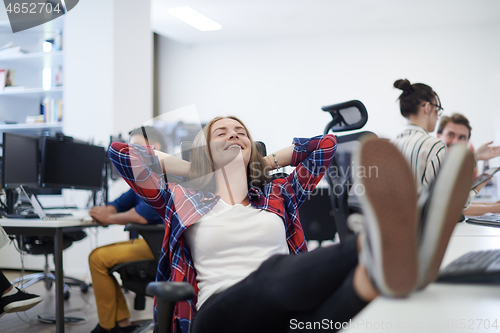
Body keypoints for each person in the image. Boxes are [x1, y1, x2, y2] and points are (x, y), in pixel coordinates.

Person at [109, 116, 474, 333]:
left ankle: (379, 271)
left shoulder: (279, 192)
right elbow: (121, 154)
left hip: (284, 311)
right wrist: (193, 168)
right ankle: (388, 238)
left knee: (328, 312)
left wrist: (267, 161)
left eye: (240, 132)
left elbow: (324, 145)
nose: (233, 135)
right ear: (203, 148)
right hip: (218, 313)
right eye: (221, 132)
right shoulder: (182, 196)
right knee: (273, 271)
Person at [89, 126, 166, 333]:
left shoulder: (163, 174)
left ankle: (108, 327)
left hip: (163, 247)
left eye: (135, 147)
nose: (130, 153)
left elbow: (141, 215)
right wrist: (105, 210)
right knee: (99, 257)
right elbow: (122, 202)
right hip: (151, 243)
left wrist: (109, 217)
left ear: (154, 147)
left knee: (98, 258)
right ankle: (120, 323)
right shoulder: (142, 176)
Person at [391, 79, 477, 208]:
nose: (437, 117)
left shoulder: (392, 144)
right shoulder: (434, 146)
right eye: (437, 110)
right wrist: (478, 187)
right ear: (427, 107)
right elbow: (445, 204)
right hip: (420, 226)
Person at [437, 113, 500, 216]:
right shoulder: (431, 164)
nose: (455, 142)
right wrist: (492, 208)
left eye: (462, 138)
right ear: (438, 136)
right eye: (451, 135)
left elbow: (457, 204)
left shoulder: (455, 167)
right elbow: (451, 209)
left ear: (467, 142)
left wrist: (491, 205)